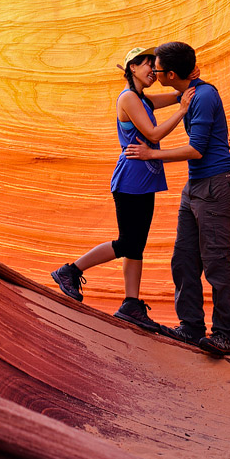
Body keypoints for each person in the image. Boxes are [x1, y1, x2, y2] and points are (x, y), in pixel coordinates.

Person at [51, 46, 194, 332]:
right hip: (130, 179)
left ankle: (131, 303)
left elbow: (179, 94)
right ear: (132, 68)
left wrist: (189, 78)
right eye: (146, 65)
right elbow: (153, 134)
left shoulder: (142, 99)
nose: (152, 71)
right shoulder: (129, 98)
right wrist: (182, 112)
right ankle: (71, 270)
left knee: (136, 245)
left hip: (144, 179)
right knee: (128, 242)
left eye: (154, 66)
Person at [125, 41, 230, 357]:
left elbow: (197, 149)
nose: (154, 70)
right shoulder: (190, 92)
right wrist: (133, 80)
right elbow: (146, 100)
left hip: (216, 185)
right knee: (184, 258)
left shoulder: (203, 96)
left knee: (216, 261)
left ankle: (226, 334)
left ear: (172, 73)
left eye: (158, 68)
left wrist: (153, 154)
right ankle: (191, 327)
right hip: (196, 186)